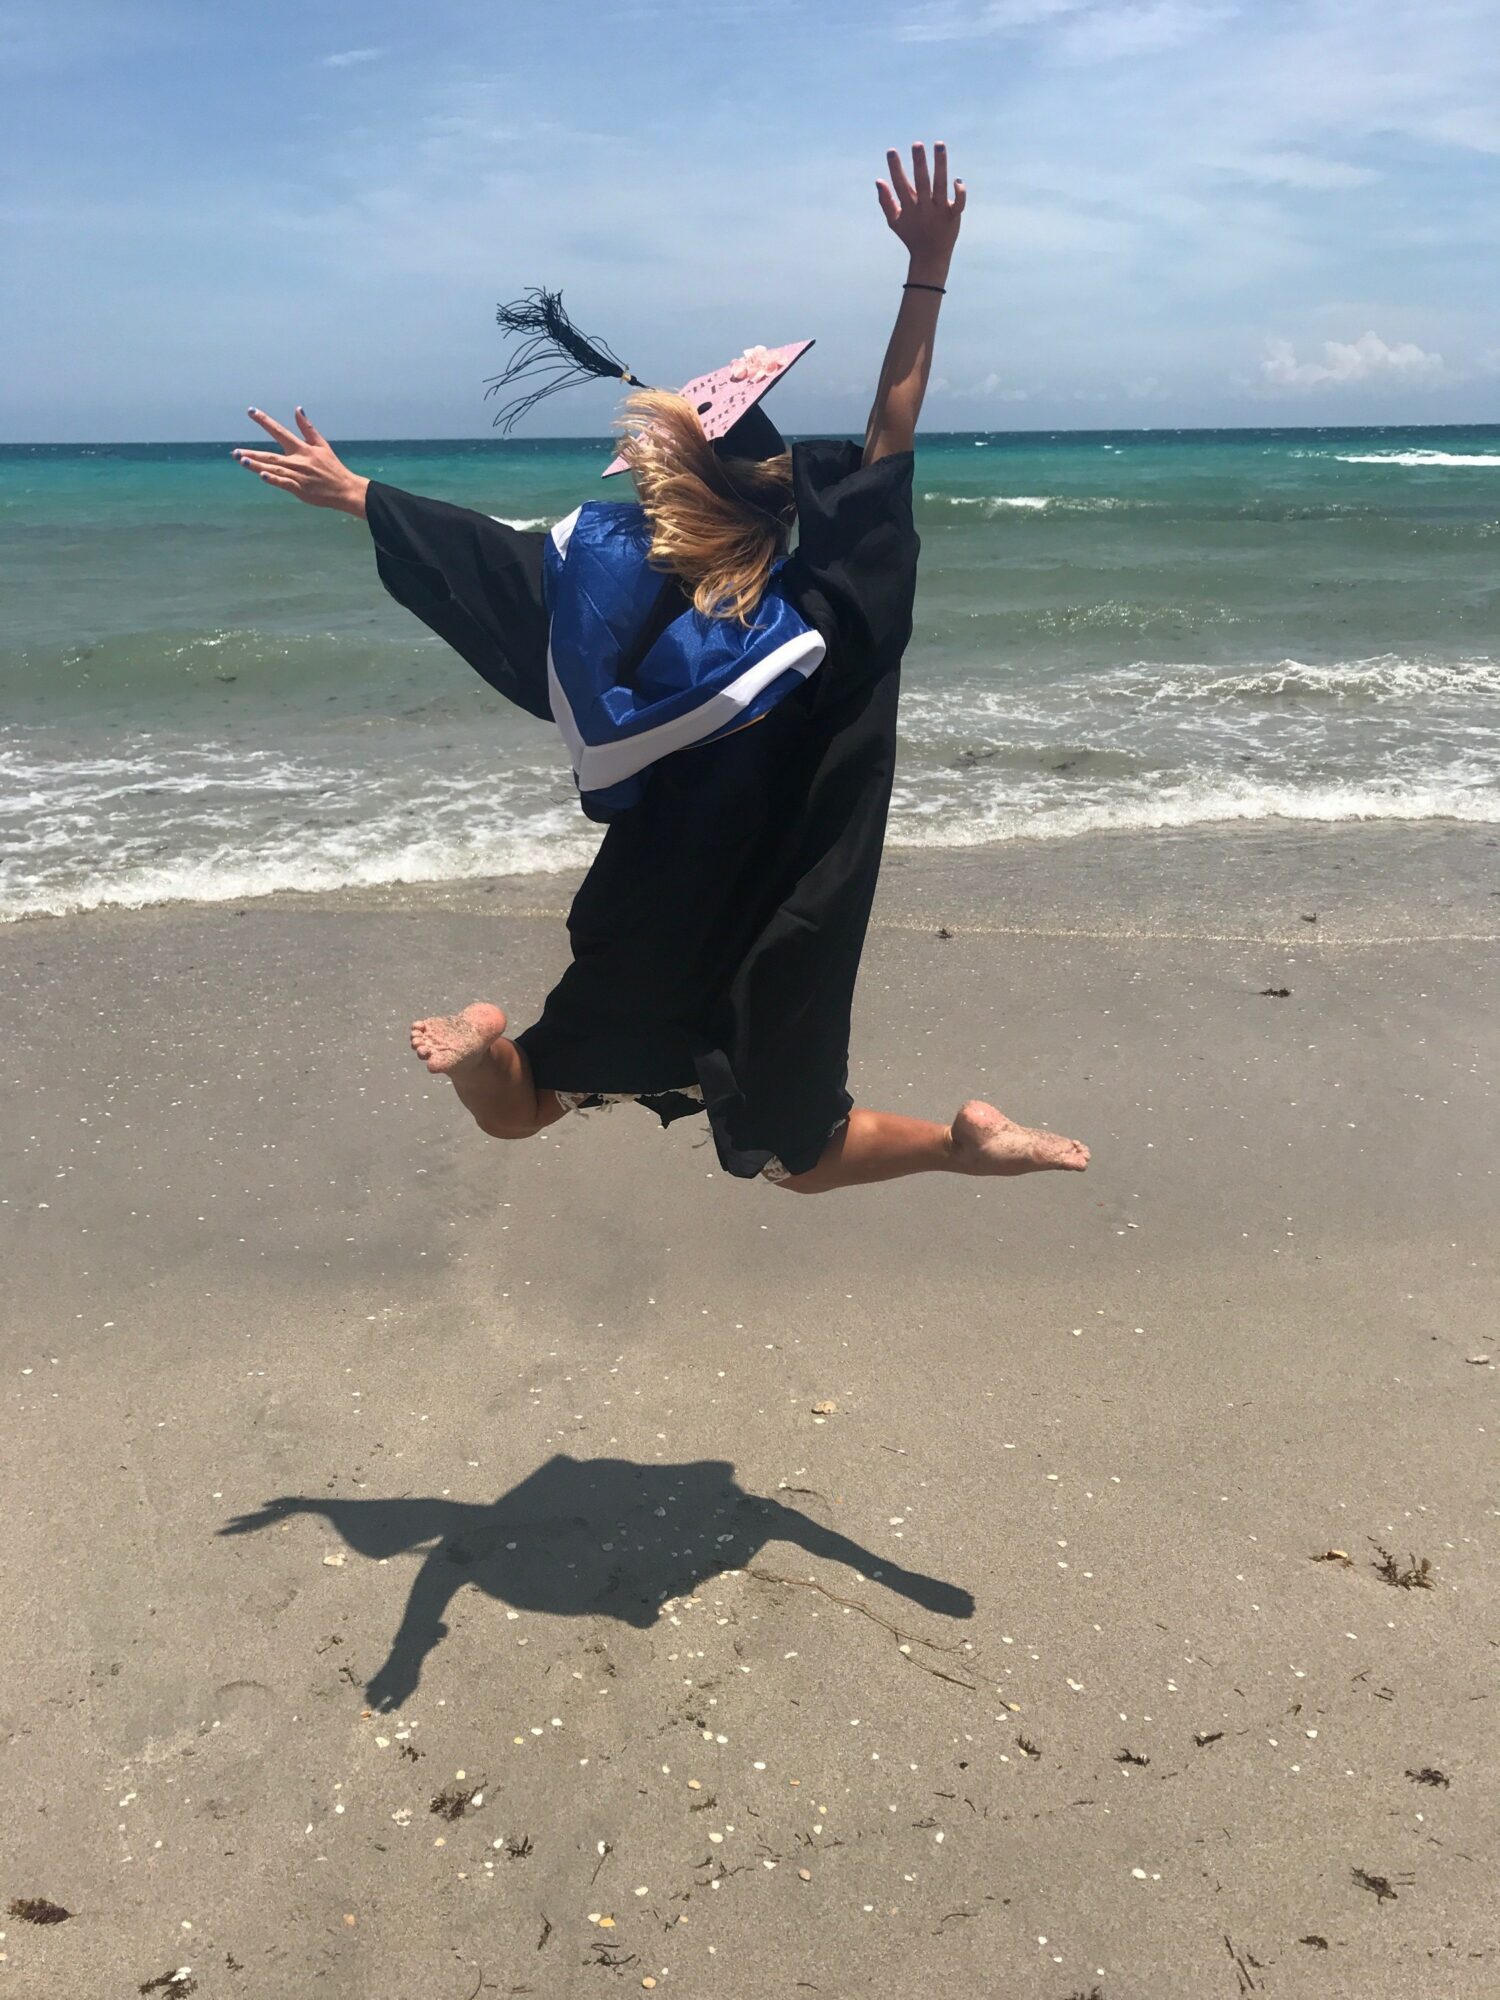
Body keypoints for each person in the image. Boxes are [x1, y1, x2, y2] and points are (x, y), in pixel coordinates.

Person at [233, 142, 1089, 1194]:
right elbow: (887, 438)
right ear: (778, 491)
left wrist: (362, 493)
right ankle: (961, 1143)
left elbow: (485, 558)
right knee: (801, 1153)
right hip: (782, 917)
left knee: (525, 1102)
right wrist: (927, 270)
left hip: (653, 913)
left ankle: (485, 1044)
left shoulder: (613, 614)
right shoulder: (829, 611)